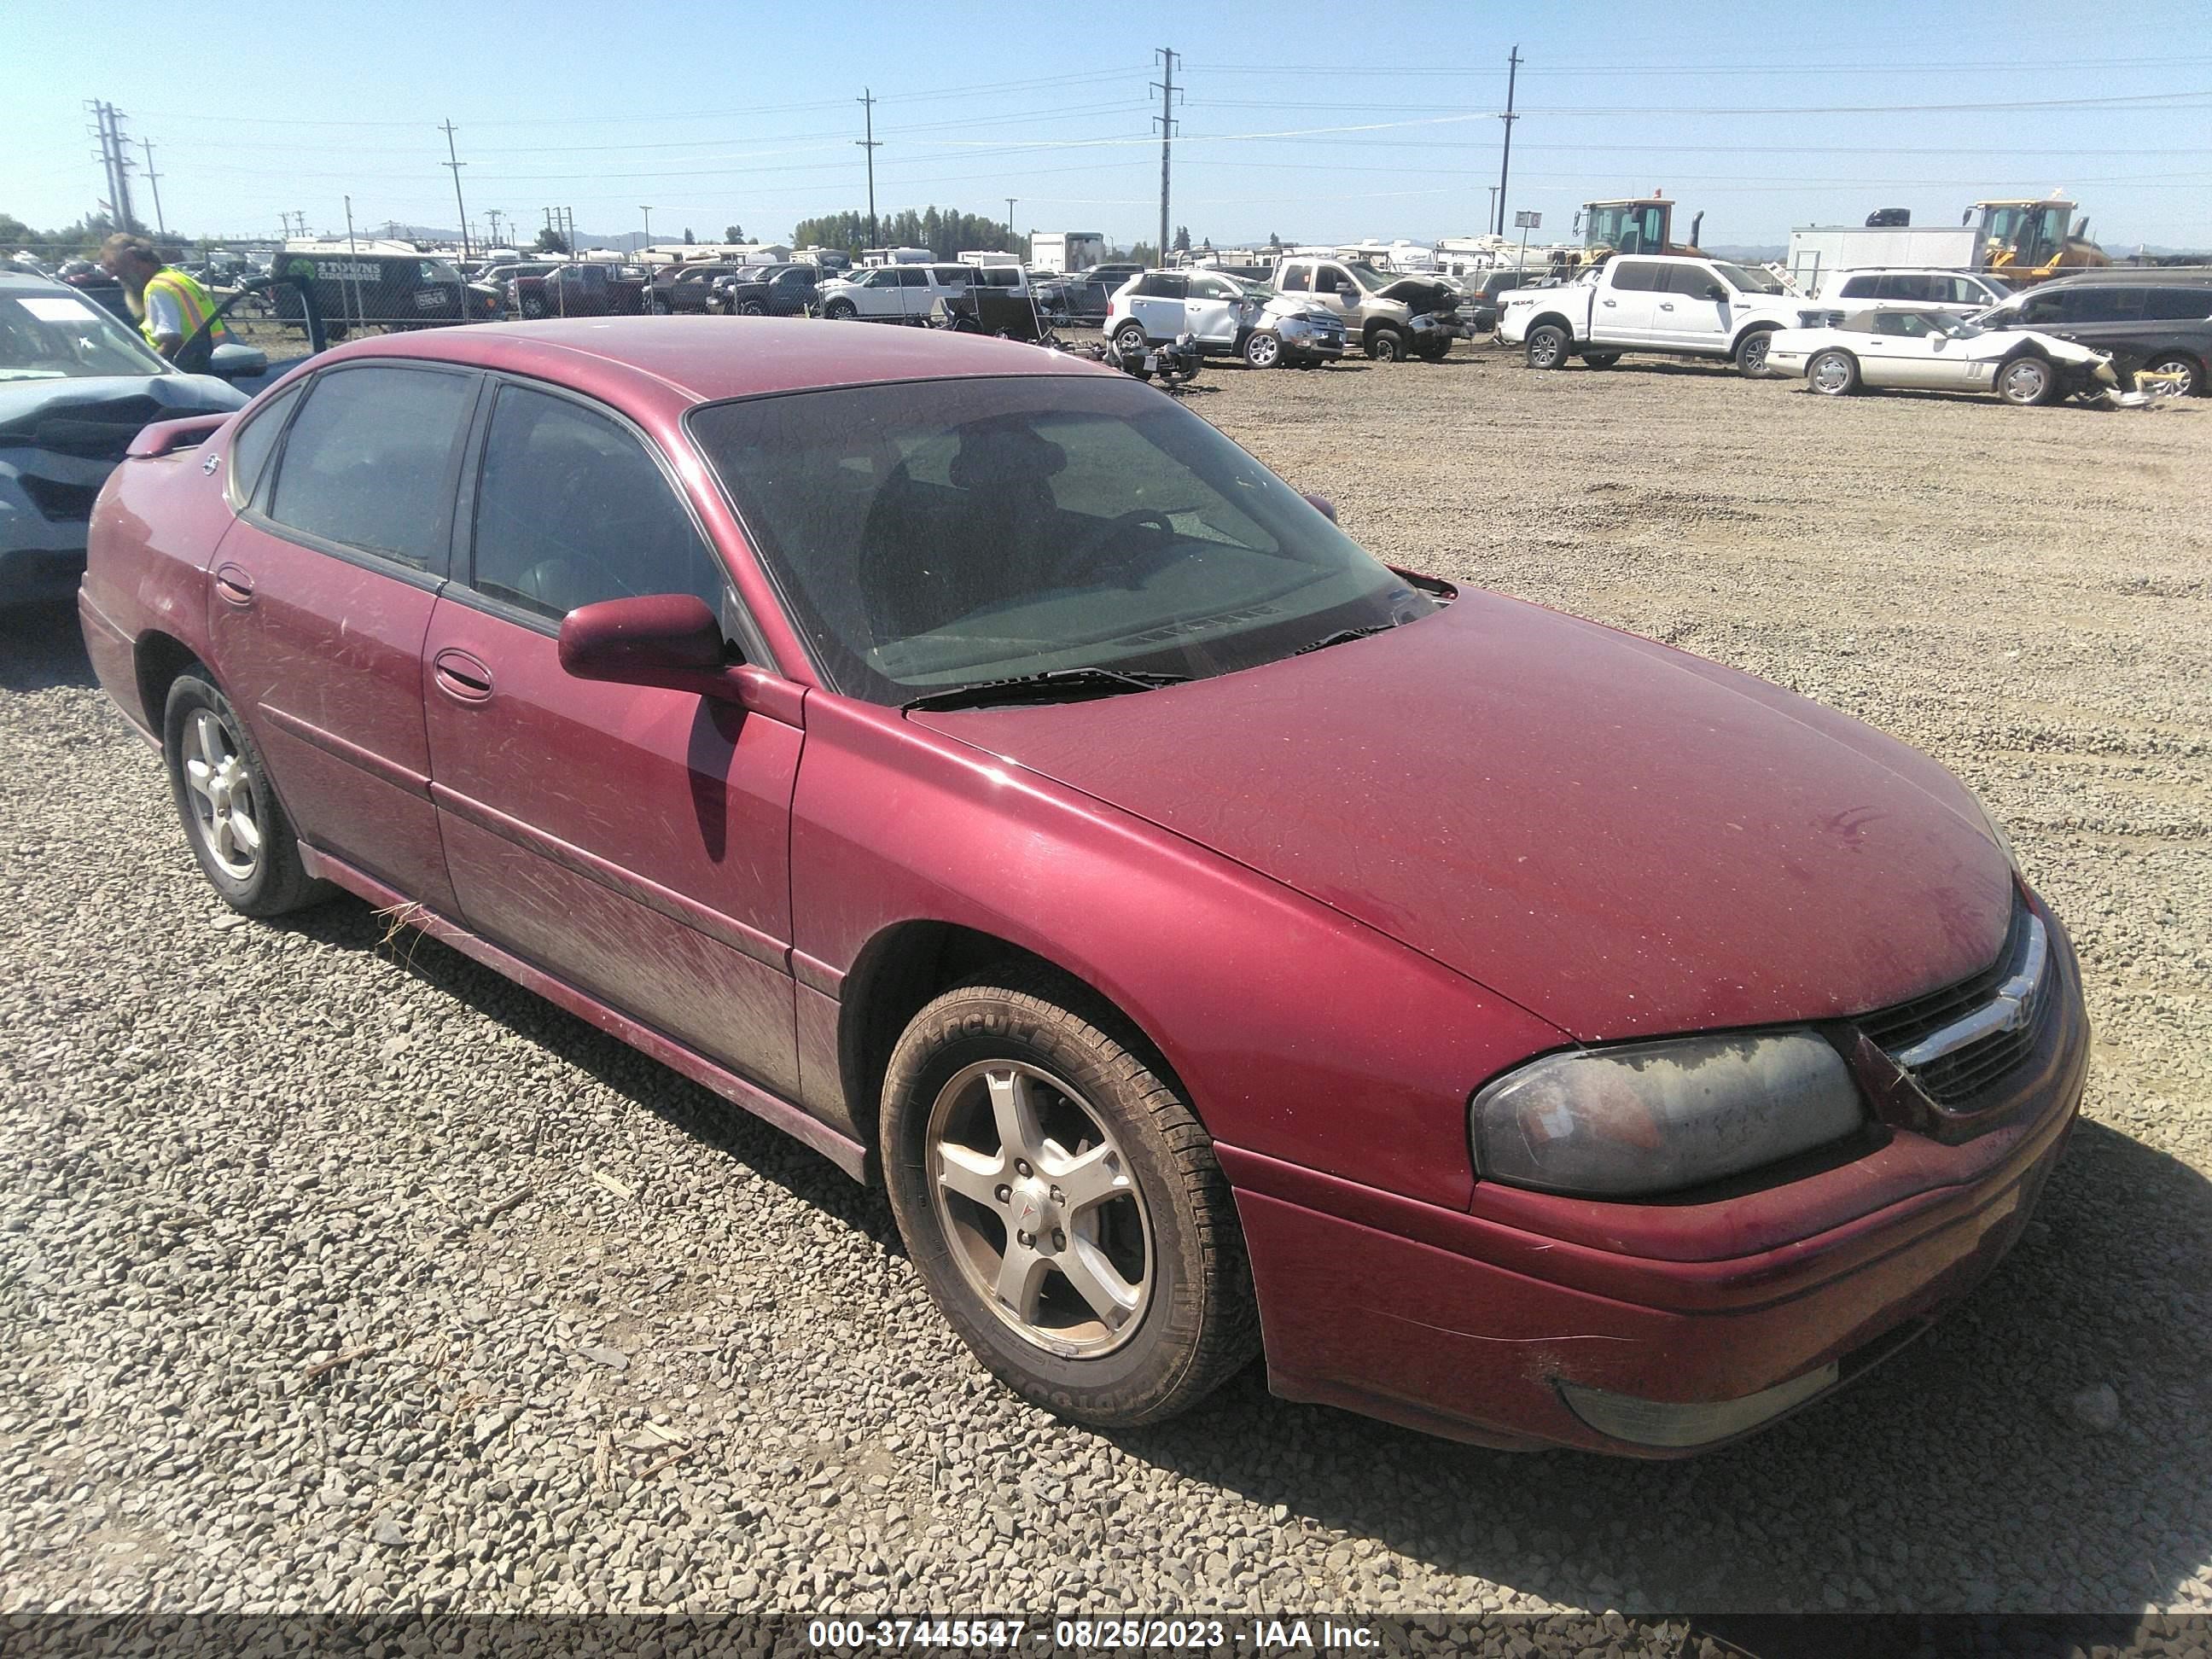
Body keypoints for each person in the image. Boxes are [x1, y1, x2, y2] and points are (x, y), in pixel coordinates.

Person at [98, 233, 233, 359]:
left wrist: (150, 370)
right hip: (214, 363)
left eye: (114, 266)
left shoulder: (158, 289)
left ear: (133, 261)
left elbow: (171, 344)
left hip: (191, 369)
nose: (114, 275)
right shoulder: (176, 277)